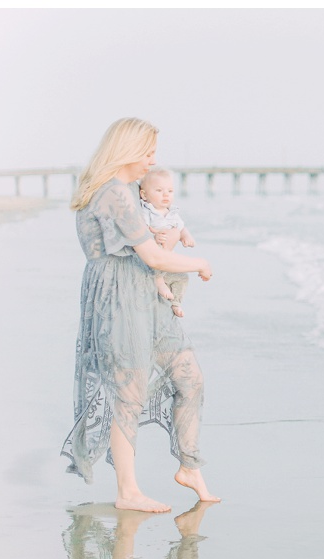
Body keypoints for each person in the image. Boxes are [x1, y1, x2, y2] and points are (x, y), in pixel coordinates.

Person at [60, 117, 219, 513]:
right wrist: (197, 261)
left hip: (144, 290)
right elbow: (149, 255)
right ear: (127, 150)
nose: (153, 159)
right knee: (128, 394)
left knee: (189, 378)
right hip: (118, 297)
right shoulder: (113, 192)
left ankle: (189, 465)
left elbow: (153, 239)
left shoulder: (131, 191)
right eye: (147, 151)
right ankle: (128, 491)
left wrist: (169, 239)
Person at [138, 167, 196, 318]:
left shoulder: (172, 212)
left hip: (167, 258)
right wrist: (153, 236)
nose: (166, 195)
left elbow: (181, 227)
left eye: (170, 191)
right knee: (161, 259)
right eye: (159, 190)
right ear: (144, 194)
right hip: (153, 256)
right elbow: (140, 231)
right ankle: (157, 279)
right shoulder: (147, 211)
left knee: (182, 277)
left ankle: (176, 302)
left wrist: (186, 236)